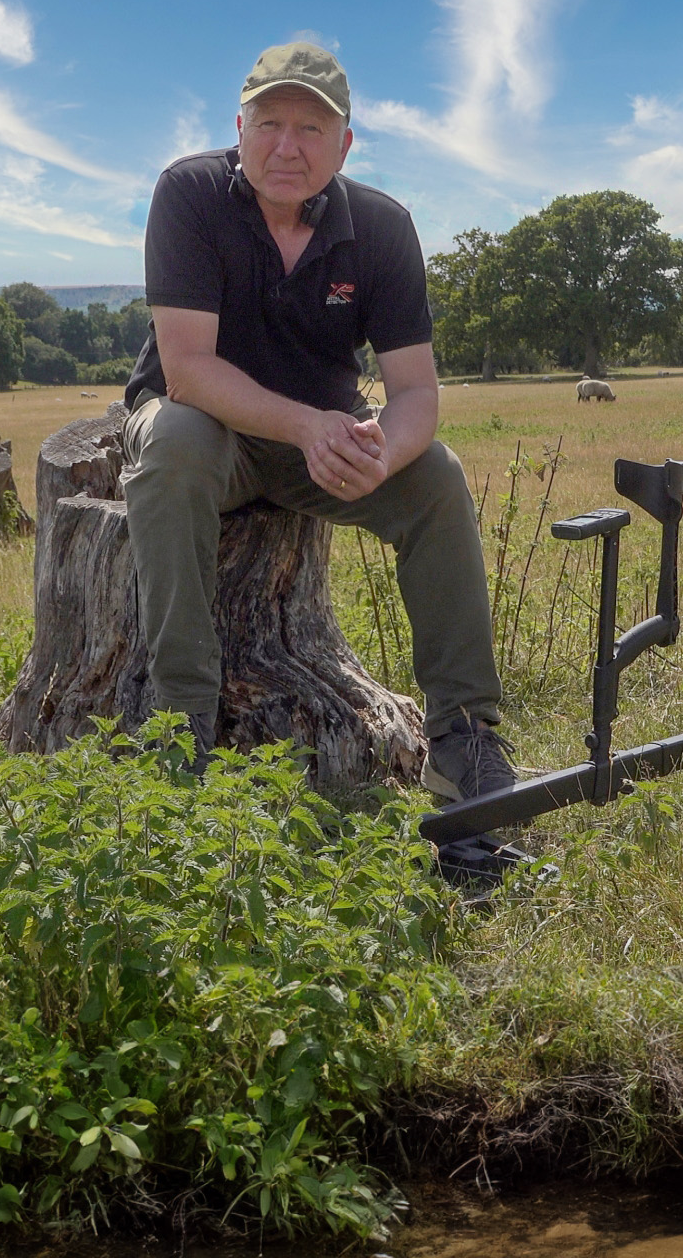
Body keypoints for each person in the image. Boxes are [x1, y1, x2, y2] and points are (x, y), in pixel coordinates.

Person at [120, 40, 513, 802]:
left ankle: (465, 738)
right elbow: (186, 369)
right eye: (269, 124)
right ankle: (181, 734)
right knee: (174, 440)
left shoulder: (382, 228)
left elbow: (416, 396)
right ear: (239, 129)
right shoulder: (189, 195)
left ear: (345, 143)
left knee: (435, 474)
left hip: (317, 450)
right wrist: (307, 426)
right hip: (209, 433)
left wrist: (380, 451)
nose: (287, 147)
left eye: (311, 128)